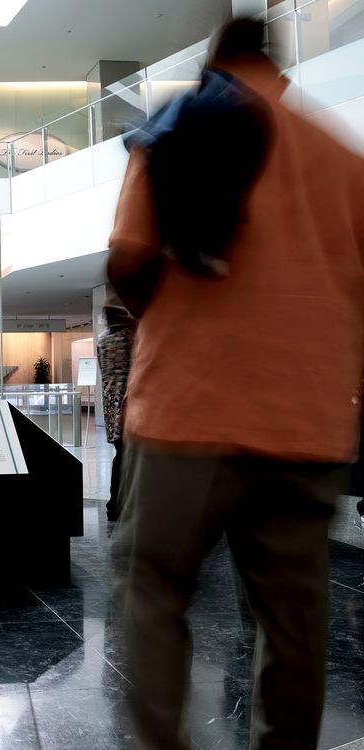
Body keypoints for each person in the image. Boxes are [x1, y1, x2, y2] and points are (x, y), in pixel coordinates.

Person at [108, 17, 364, 750]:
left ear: (217, 59)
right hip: (309, 423)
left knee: (153, 586)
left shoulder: (181, 129)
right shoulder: (344, 161)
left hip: (191, 408)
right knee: (294, 618)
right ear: (278, 60)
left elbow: (127, 262)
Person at [96, 297, 134, 522]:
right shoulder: (128, 337)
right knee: (128, 455)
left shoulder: (102, 339)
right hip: (130, 403)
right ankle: (122, 503)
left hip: (111, 404)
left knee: (121, 453)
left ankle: (115, 504)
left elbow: (103, 370)